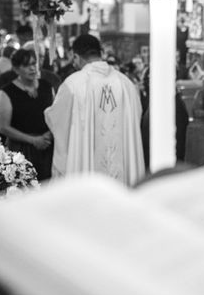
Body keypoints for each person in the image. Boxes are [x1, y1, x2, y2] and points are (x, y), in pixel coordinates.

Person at [44, 34, 145, 185]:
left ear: (75, 56)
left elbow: (58, 120)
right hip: (123, 174)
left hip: (86, 167)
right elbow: (135, 116)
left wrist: (48, 112)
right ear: (101, 53)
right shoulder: (126, 83)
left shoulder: (73, 84)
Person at [0, 49, 54, 180]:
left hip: (47, 145)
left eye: (34, 64)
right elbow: (3, 127)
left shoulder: (46, 86)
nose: (32, 68)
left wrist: (49, 134)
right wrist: (33, 140)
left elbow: (56, 115)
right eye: (26, 65)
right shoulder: (6, 92)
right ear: (16, 69)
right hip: (20, 150)